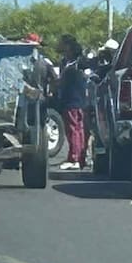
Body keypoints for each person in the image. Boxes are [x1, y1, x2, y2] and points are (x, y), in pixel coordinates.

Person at [57, 35, 88, 170]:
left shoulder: (71, 66)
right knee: (79, 129)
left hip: (72, 100)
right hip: (80, 100)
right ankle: (80, 157)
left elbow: (62, 83)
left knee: (73, 129)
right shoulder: (77, 64)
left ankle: (74, 157)